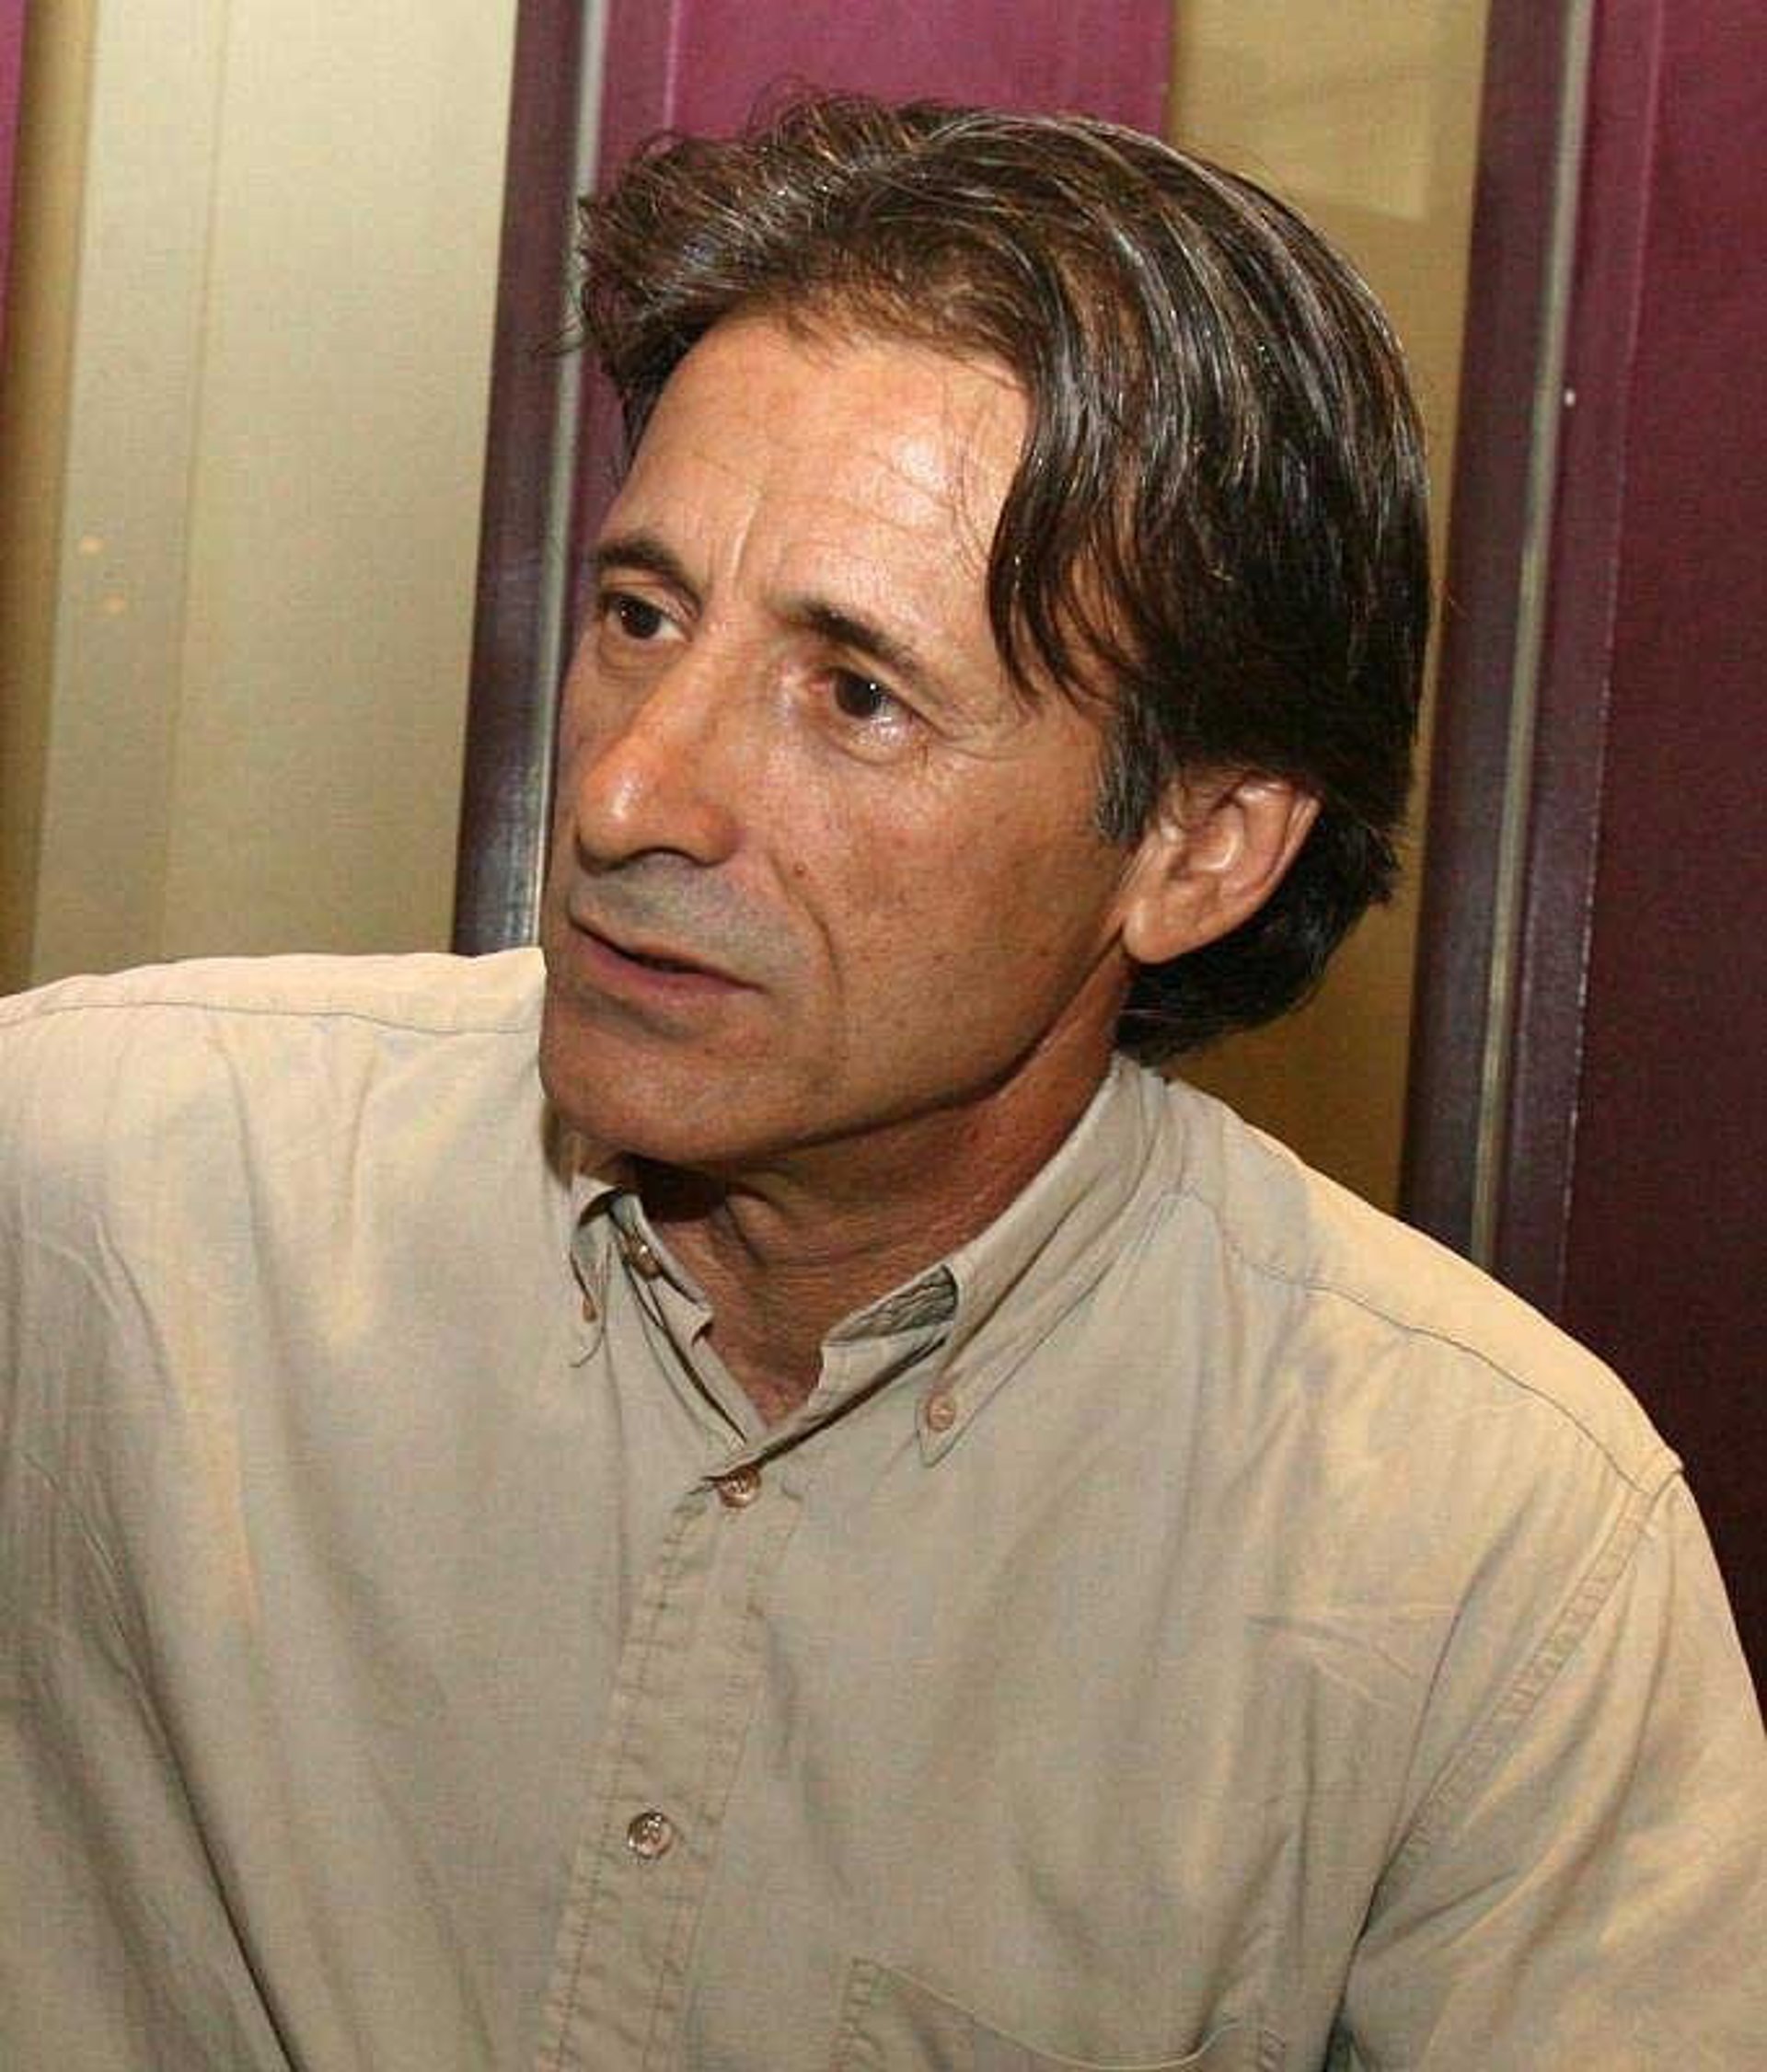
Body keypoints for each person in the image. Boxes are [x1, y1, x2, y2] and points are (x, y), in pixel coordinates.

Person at [0, 94, 1760, 2072]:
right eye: (641, 616)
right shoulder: (101, 1194)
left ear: (1199, 846)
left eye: (855, 694)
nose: (627, 791)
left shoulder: (1487, 1556)